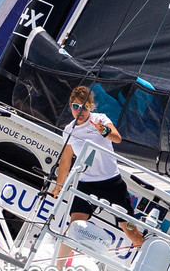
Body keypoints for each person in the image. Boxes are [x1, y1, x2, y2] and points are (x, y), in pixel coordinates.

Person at [48, 86, 145, 250]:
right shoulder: (69, 130)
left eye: (84, 107)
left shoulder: (100, 119)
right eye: (76, 106)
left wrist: (103, 131)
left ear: (90, 107)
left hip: (111, 183)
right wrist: (58, 186)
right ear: (70, 106)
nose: (80, 111)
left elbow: (117, 138)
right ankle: (58, 265)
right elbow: (65, 160)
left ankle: (146, 257)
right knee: (73, 229)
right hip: (86, 184)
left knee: (132, 233)